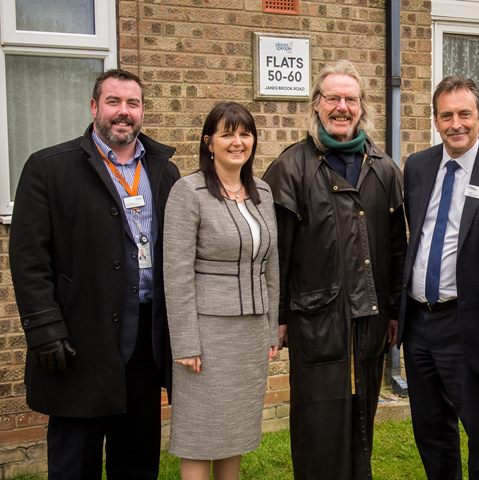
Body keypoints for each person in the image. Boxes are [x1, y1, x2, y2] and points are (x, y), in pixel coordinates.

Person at [9, 69, 180, 479]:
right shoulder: (48, 168)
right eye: (114, 102)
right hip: (77, 343)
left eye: (133, 104)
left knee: (136, 459)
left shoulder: (163, 171)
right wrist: (44, 328)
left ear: (142, 112)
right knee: (75, 463)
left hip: (144, 344)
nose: (124, 112)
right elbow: (29, 259)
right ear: (94, 107)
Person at [262, 59, 406, 480]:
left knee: (363, 420)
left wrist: (395, 309)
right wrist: (280, 317)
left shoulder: (384, 168)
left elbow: (398, 246)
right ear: (317, 105)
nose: (342, 107)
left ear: (362, 107)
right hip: (316, 322)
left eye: (351, 99)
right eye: (333, 98)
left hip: (370, 321)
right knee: (318, 425)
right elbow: (278, 252)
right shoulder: (292, 167)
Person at [398, 76, 479, 480]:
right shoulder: (417, 167)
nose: (456, 124)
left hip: (469, 322)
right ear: (436, 121)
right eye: (446, 115)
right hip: (419, 322)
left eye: (464, 114)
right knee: (430, 430)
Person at [163, 102, 279, 480]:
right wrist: (185, 343)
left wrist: (271, 327)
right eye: (227, 133)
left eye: (245, 133)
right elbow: (176, 271)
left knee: (235, 434)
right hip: (207, 336)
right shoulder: (188, 191)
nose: (237, 142)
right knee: (200, 435)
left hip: (250, 335)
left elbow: (271, 265)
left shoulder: (261, 190)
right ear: (208, 142)